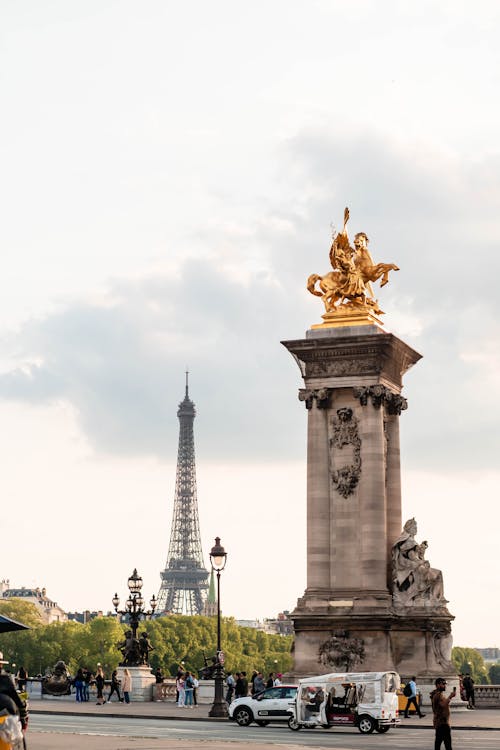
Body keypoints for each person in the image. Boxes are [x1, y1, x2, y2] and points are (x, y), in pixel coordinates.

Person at [431, 678, 456, 750]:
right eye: (443, 684)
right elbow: (443, 704)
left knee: (438, 744)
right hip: (442, 723)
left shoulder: (438, 694)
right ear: (438, 685)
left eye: (445, 684)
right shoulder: (438, 695)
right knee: (447, 745)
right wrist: (450, 696)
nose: (445, 686)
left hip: (440, 723)